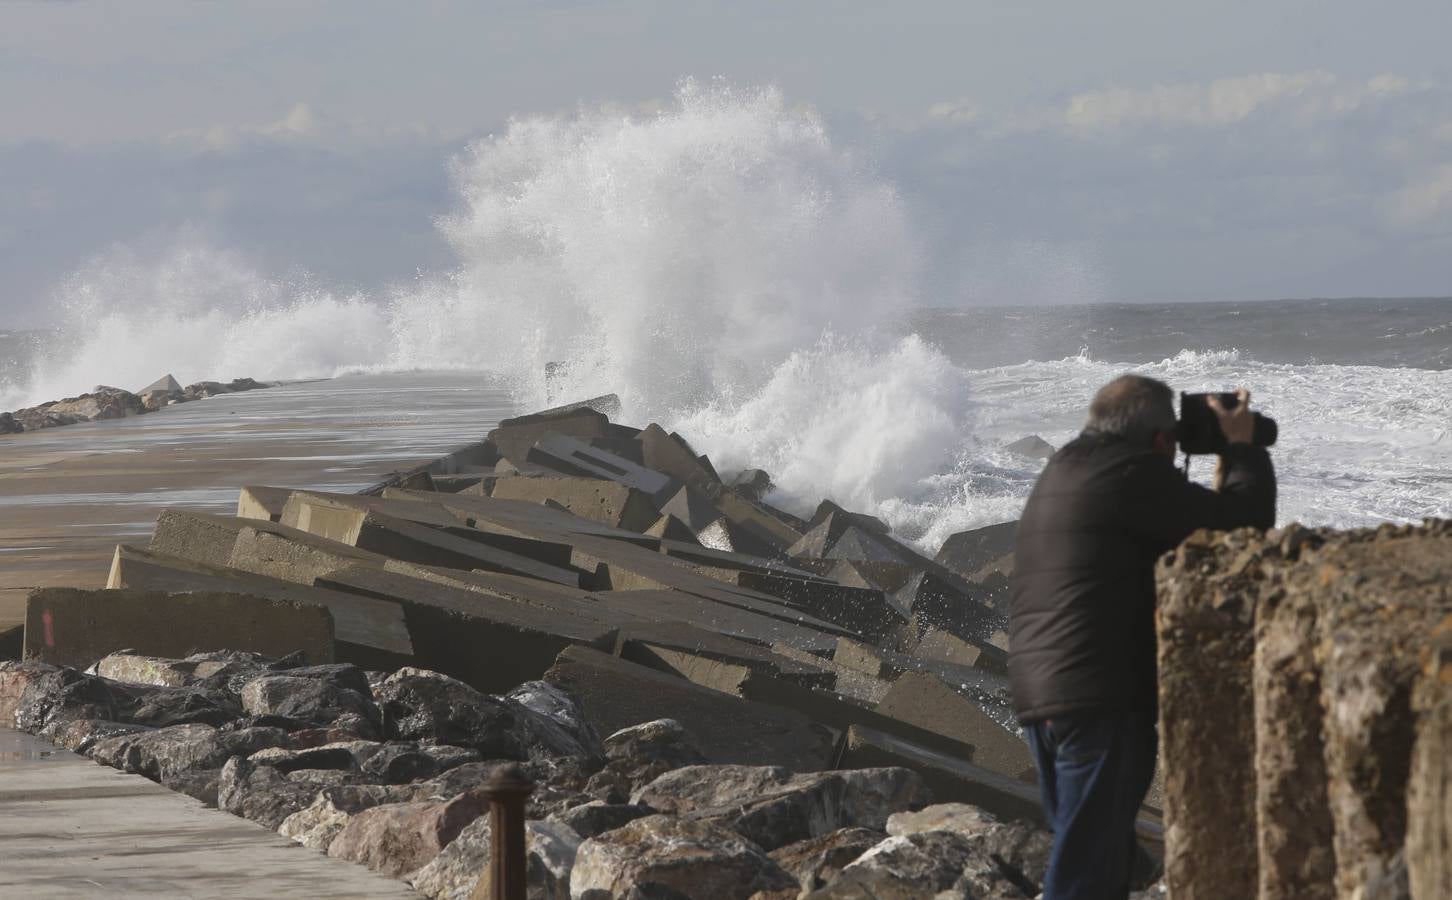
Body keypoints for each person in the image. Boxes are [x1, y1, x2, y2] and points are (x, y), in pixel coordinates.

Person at [1009, 374, 1276, 899]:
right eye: (1173, 440)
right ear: (1157, 440)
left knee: (1094, 854)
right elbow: (1242, 527)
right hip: (1096, 699)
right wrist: (1241, 450)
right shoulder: (1130, 474)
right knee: (1083, 872)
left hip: (1039, 692)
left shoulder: (1064, 467)